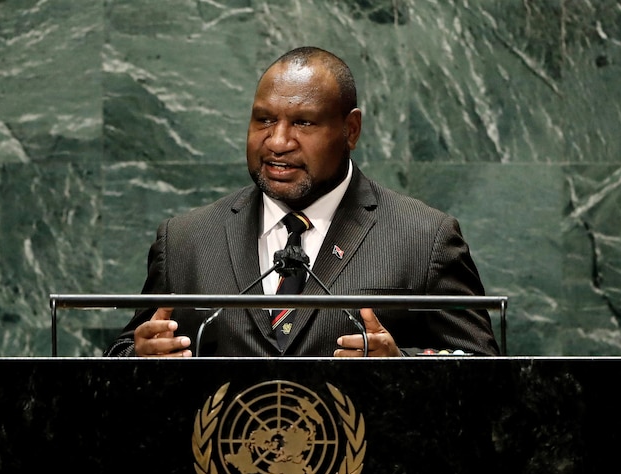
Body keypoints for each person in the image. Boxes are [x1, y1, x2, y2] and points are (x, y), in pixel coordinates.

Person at [104, 46, 499, 358]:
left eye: (303, 123)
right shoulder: (185, 241)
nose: (277, 141)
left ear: (351, 130)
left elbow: (485, 370)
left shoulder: (425, 238)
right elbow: (119, 357)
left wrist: (401, 366)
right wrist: (138, 356)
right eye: (263, 120)